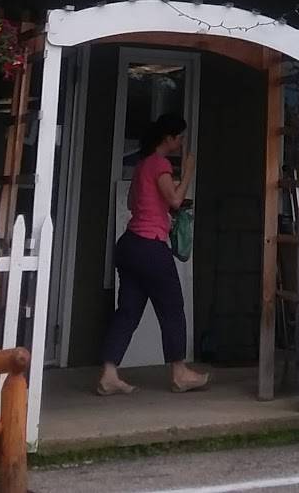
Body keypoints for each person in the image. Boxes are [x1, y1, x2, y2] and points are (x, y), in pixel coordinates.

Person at [97, 112, 209, 395]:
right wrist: (188, 171)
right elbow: (175, 200)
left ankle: (109, 374)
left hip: (130, 245)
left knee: (128, 311)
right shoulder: (160, 164)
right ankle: (180, 373)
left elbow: (132, 202)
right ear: (168, 138)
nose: (181, 142)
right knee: (172, 308)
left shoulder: (142, 165)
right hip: (151, 247)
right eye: (179, 137)